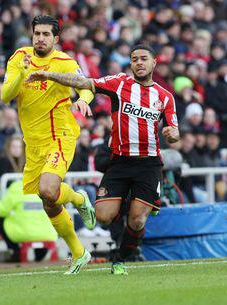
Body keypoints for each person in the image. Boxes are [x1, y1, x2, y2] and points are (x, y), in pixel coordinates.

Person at [27, 44, 180, 275]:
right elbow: (84, 82)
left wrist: (172, 134)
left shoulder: (165, 96)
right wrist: (49, 75)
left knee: (137, 221)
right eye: (134, 59)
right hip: (119, 162)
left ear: (153, 63)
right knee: (103, 217)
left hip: (148, 164)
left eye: (143, 59)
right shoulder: (119, 83)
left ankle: (120, 258)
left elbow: (174, 130)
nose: (139, 63)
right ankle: (132, 202)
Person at [0, 15, 96, 274]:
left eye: (45, 34)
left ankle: (77, 198)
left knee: (48, 188)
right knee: (48, 200)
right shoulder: (19, 58)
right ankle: (79, 252)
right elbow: (6, 95)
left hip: (60, 135)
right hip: (33, 143)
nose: (40, 38)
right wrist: (21, 74)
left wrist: (83, 100)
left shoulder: (64, 63)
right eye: (37, 33)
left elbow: (87, 86)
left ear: (55, 39)